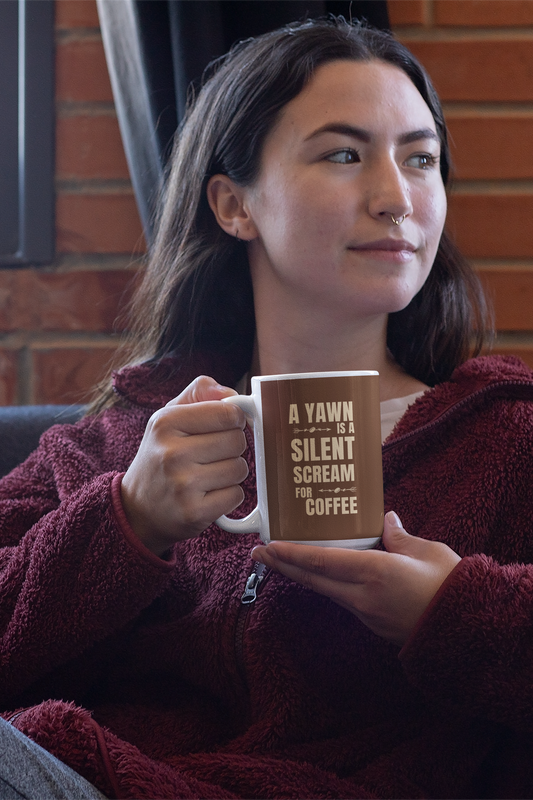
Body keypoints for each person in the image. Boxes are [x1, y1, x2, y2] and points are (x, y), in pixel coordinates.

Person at [1, 16, 533, 800]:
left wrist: (455, 614)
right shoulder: (111, 441)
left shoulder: (505, 440)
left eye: (420, 159)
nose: (396, 198)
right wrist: (125, 521)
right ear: (232, 205)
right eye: (343, 154)